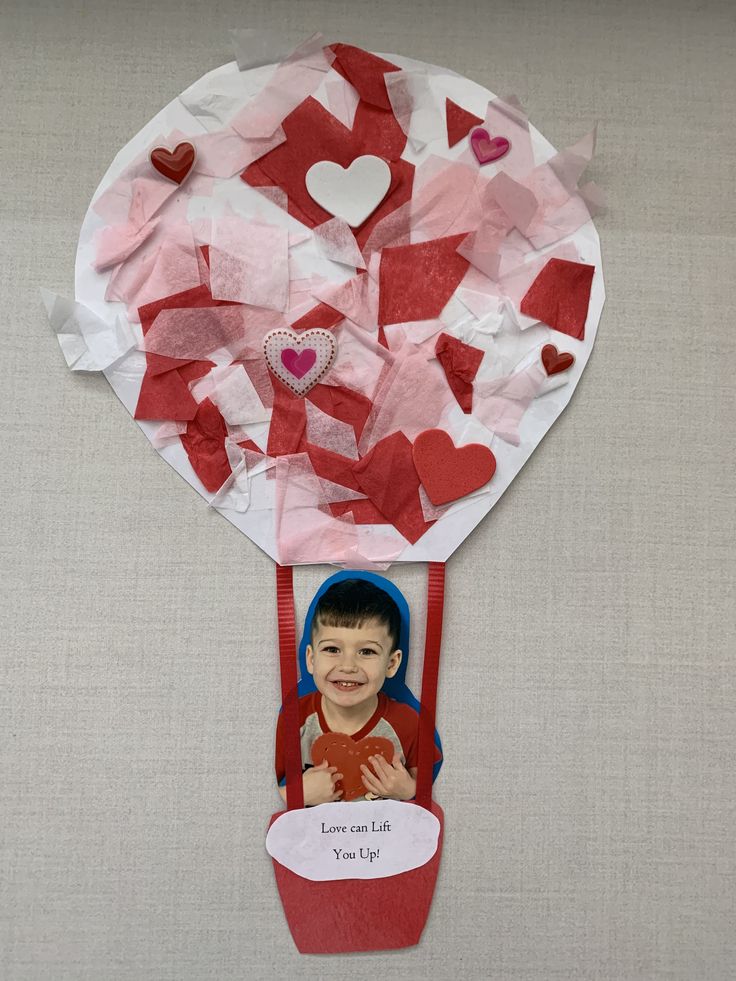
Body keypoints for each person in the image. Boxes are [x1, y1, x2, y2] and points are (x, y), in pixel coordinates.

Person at [275, 578, 441, 805]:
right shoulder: (292, 721)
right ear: (311, 659)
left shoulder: (409, 724)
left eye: (367, 651)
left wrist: (407, 789)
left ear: (392, 664)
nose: (348, 666)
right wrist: (295, 795)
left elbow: (431, 791)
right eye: (332, 649)